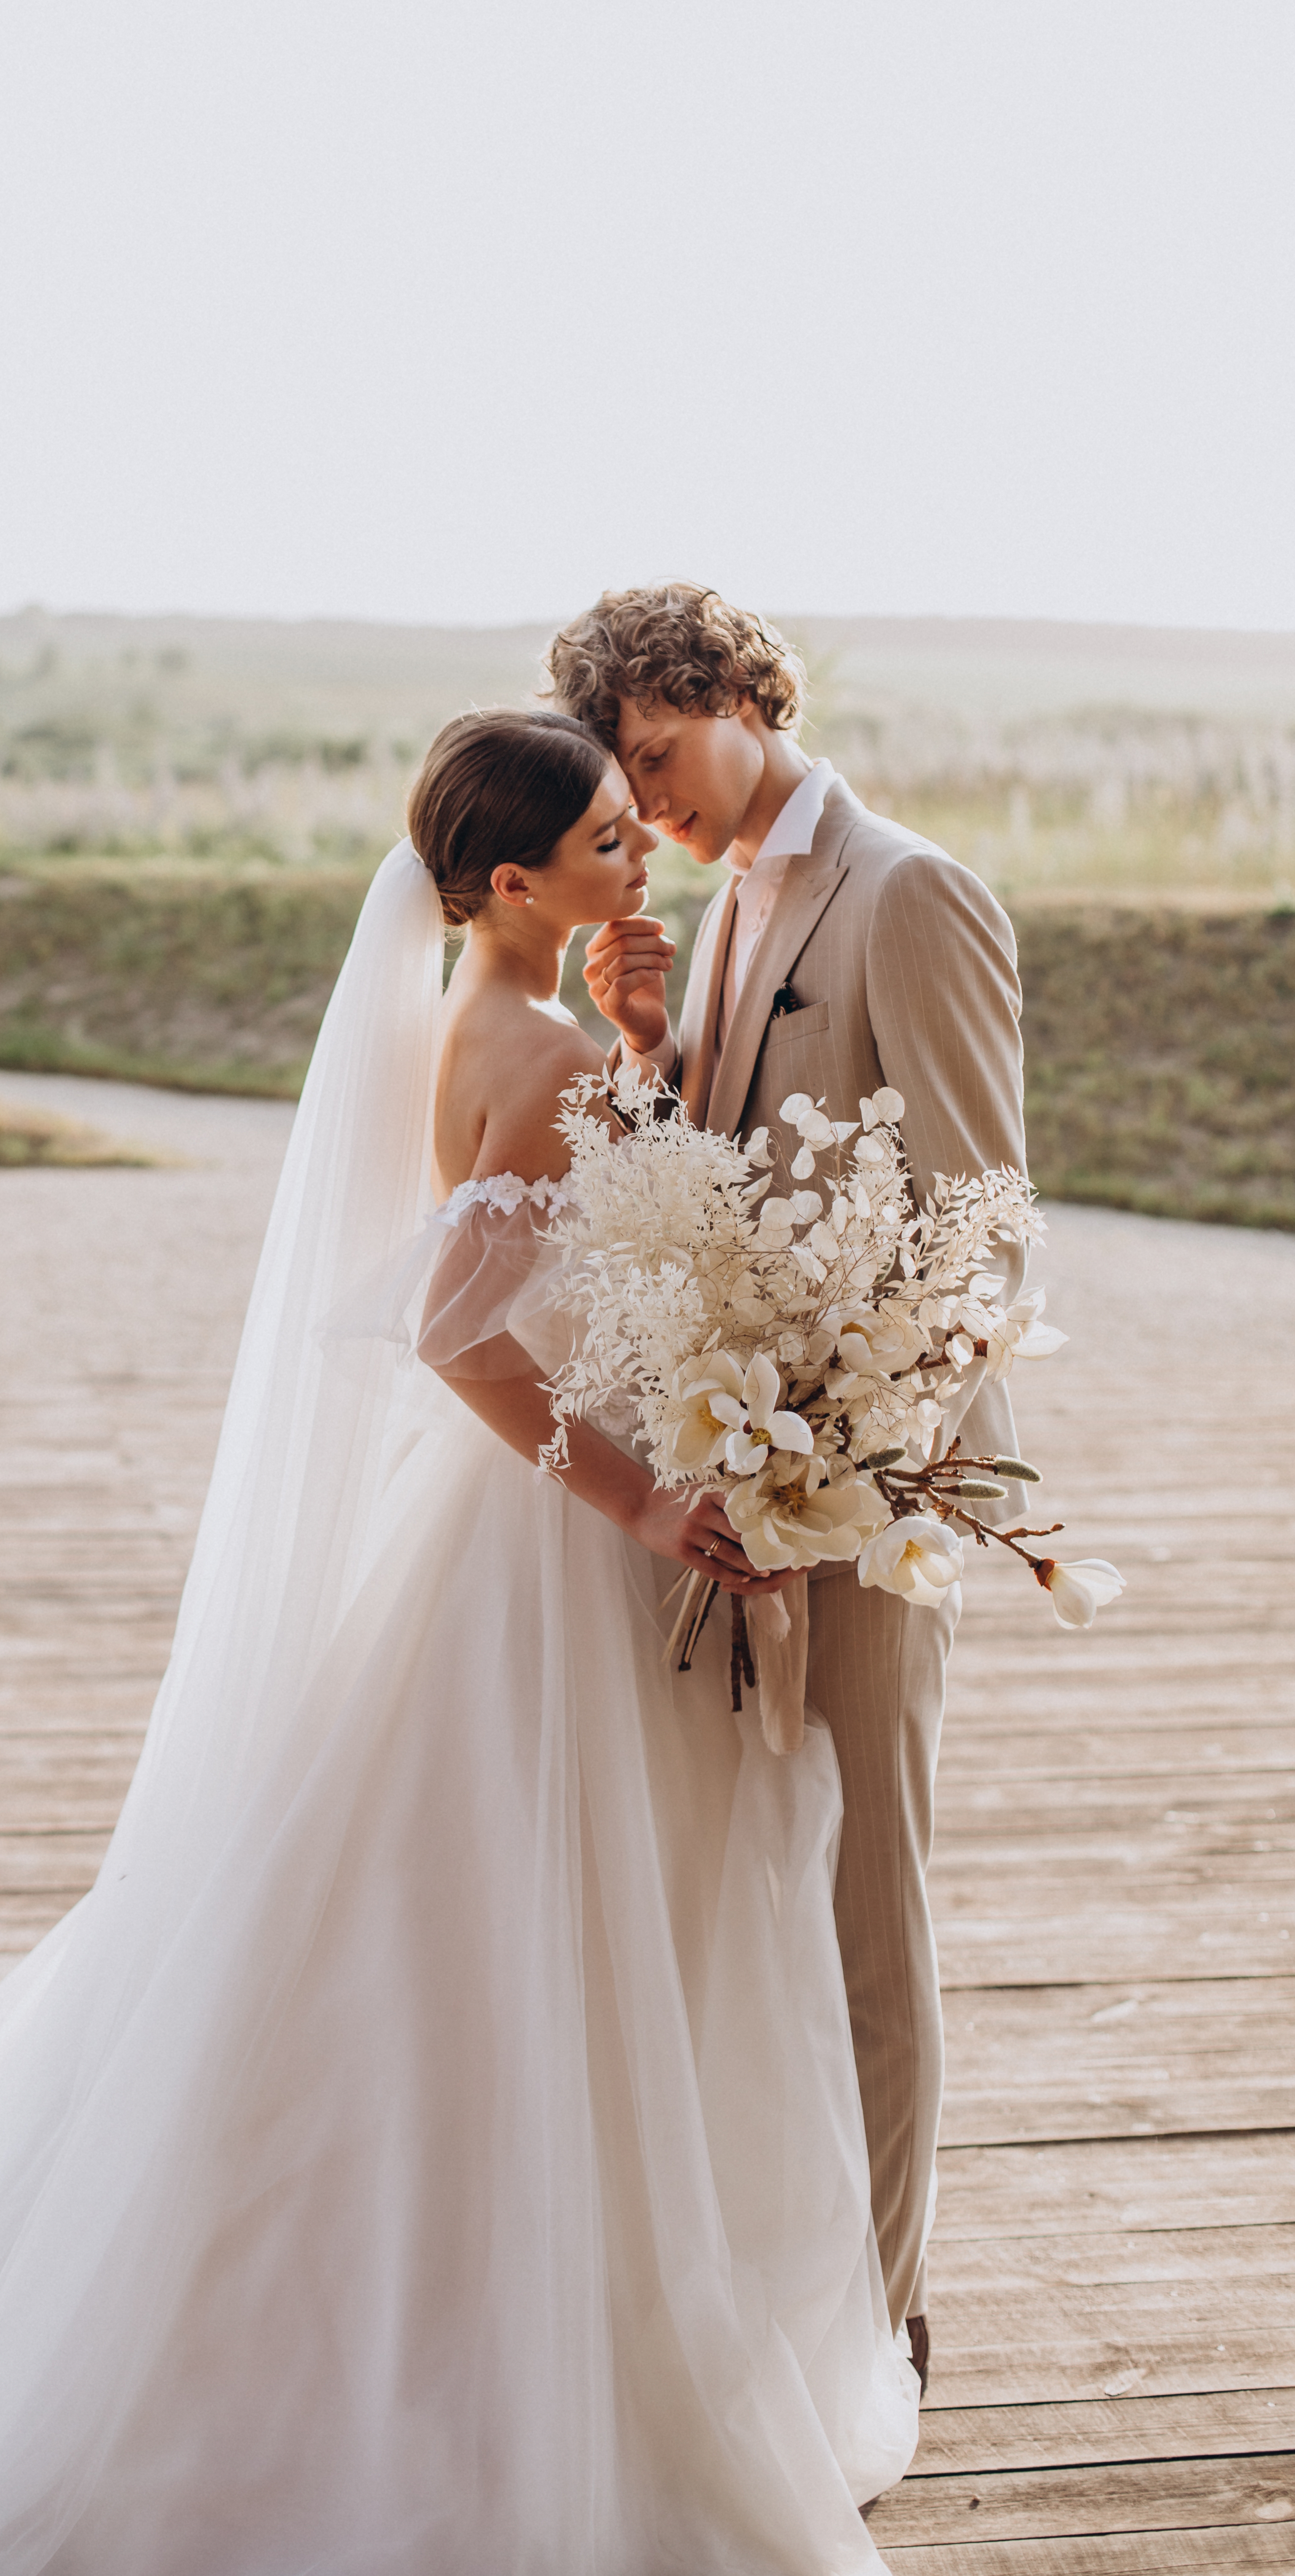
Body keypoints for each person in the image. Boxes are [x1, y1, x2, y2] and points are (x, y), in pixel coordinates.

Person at [0, 708, 917, 2576]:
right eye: (598, 839)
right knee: (513, 1937)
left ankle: (501, 2311)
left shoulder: (499, 1025)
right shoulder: (536, 1048)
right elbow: (455, 1334)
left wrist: (643, 1052)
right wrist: (652, 1504)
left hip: (503, 1549)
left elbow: (549, 1242)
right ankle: (472, 2354)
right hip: (546, 1559)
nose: (631, 854)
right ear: (506, 883)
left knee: (477, 1934)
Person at [548, 583, 1028, 2398]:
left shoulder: (905, 893)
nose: (648, 808)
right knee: (761, 1893)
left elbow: (983, 1237)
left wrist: (850, 1473)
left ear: (730, 694)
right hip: (747, 1499)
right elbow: (721, 1198)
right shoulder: (726, 898)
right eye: (626, 783)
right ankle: (783, 2297)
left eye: (658, 760)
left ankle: (885, 2321)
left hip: (876, 1504)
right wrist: (648, 1055)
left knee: (861, 1905)